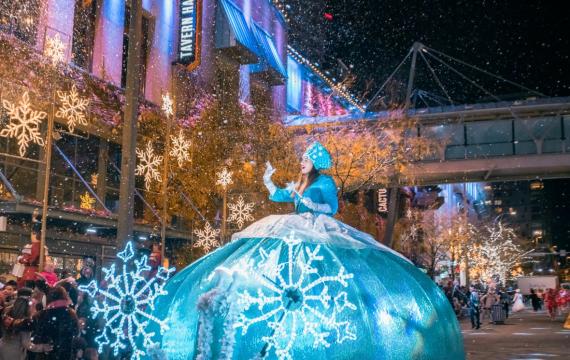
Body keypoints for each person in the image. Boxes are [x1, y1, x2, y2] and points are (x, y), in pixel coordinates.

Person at [151, 142, 465, 359]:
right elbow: (278, 198)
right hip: (294, 225)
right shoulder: (300, 182)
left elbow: (332, 206)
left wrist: (313, 203)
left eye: (305, 158)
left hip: (319, 227)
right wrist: (268, 182)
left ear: (315, 161)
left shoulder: (325, 182)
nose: (301, 161)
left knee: (319, 266)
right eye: (302, 158)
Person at [0, 287, 52, 359]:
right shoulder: (25, 322)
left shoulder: (7, 311)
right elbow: (27, 344)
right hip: (14, 353)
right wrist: (43, 347)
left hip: (2, 346)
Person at [31, 286, 79, 360]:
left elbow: (33, 333)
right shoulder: (71, 314)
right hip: (65, 354)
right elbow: (76, 332)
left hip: (45, 354)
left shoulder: (41, 315)